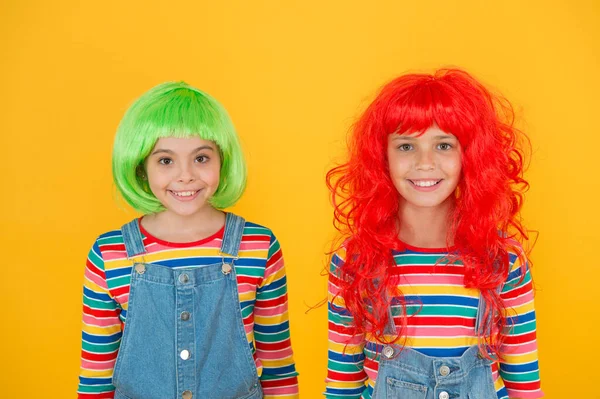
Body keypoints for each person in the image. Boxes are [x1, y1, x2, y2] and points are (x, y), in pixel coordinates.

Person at [324, 69, 542, 399]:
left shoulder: (505, 260)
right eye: (406, 146)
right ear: (382, 157)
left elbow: (525, 382)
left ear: (470, 155)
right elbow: (342, 382)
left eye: (443, 145)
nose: (425, 163)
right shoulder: (354, 260)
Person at [77, 82, 299, 399]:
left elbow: (278, 367)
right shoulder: (109, 254)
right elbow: (95, 376)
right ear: (141, 168)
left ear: (222, 160)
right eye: (165, 160)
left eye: (201, 158)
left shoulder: (258, 246)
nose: (185, 176)